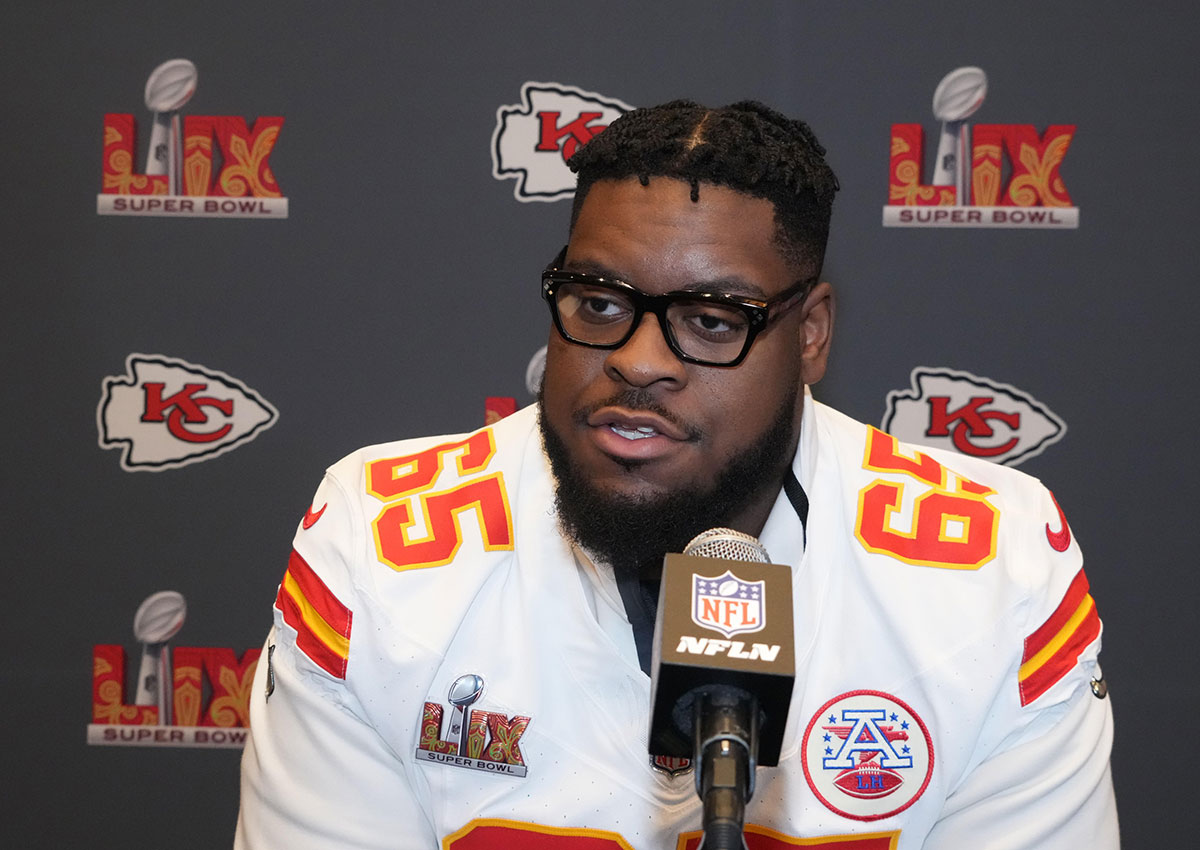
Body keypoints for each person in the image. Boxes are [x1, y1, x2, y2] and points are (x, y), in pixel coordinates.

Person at [235, 100, 1118, 849]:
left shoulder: (995, 573)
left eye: (709, 320)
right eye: (599, 303)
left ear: (809, 333)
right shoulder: (379, 549)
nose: (638, 360)